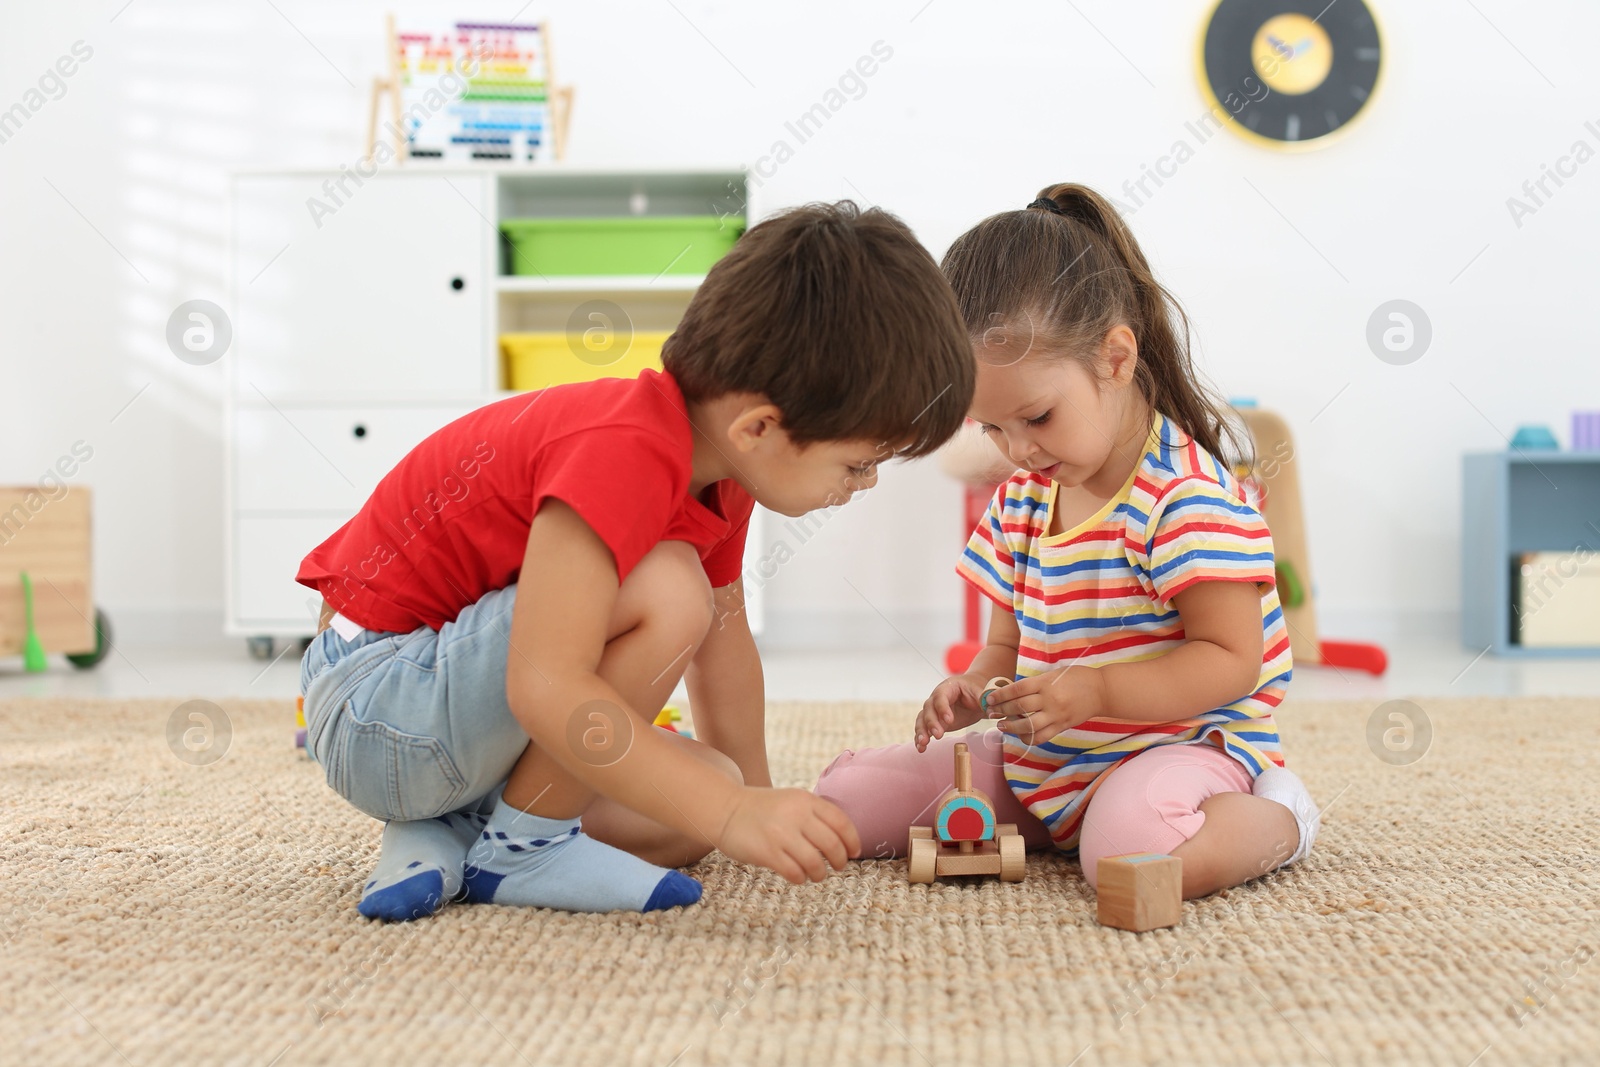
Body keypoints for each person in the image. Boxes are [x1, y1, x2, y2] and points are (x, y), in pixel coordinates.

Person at [297, 201, 974, 920]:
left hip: (454, 717)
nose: (864, 483)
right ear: (758, 427)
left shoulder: (721, 469)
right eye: (859, 462)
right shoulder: (621, 450)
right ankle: (521, 846)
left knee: (692, 806)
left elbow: (723, 652)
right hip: (377, 707)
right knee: (670, 593)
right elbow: (545, 682)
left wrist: (756, 800)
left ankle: (456, 830)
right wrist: (734, 811)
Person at [815, 184, 1320, 899]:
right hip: (1048, 761)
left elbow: (1233, 661)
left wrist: (1100, 689)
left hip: (1176, 752)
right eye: (991, 429)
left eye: (1038, 417)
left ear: (1116, 359)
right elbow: (1005, 652)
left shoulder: (1184, 498)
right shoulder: (1025, 498)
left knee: (1129, 854)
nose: (1016, 450)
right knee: (847, 797)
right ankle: (1068, 818)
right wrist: (975, 690)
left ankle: (1280, 817)